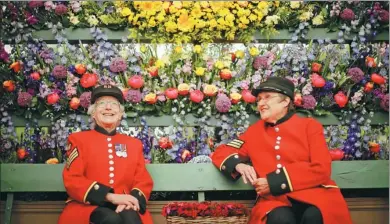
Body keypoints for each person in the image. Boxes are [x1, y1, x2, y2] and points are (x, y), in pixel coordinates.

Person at [211, 77, 352, 224]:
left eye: (267, 97)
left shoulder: (310, 127)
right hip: (274, 201)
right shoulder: (254, 132)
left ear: (286, 101)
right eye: (259, 99)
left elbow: (322, 169)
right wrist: (239, 164)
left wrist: (273, 182)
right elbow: (221, 152)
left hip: (316, 196)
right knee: (280, 218)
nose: (261, 103)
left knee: (315, 216)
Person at [58, 84, 154, 224]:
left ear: (121, 114)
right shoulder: (78, 140)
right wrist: (110, 197)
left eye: (114, 104)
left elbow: (143, 180)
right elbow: (73, 179)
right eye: (101, 104)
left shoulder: (133, 144)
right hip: (87, 206)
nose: (108, 108)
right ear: (93, 113)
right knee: (111, 220)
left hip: (124, 202)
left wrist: (131, 200)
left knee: (131, 218)